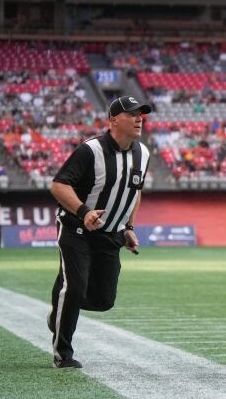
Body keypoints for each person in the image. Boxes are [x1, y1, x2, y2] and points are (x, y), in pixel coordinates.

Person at [47, 96, 151, 369]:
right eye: (132, 114)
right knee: (75, 287)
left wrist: (128, 227)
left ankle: (60, 309)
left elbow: (135, 192)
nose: (139, 118)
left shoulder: (144, 153)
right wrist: (84, 211)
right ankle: (63, 354)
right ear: (114, 120)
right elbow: (58, 185)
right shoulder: (90, 150)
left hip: (111, 234)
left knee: (104, 300)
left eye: (141, 114)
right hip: (77, 229)